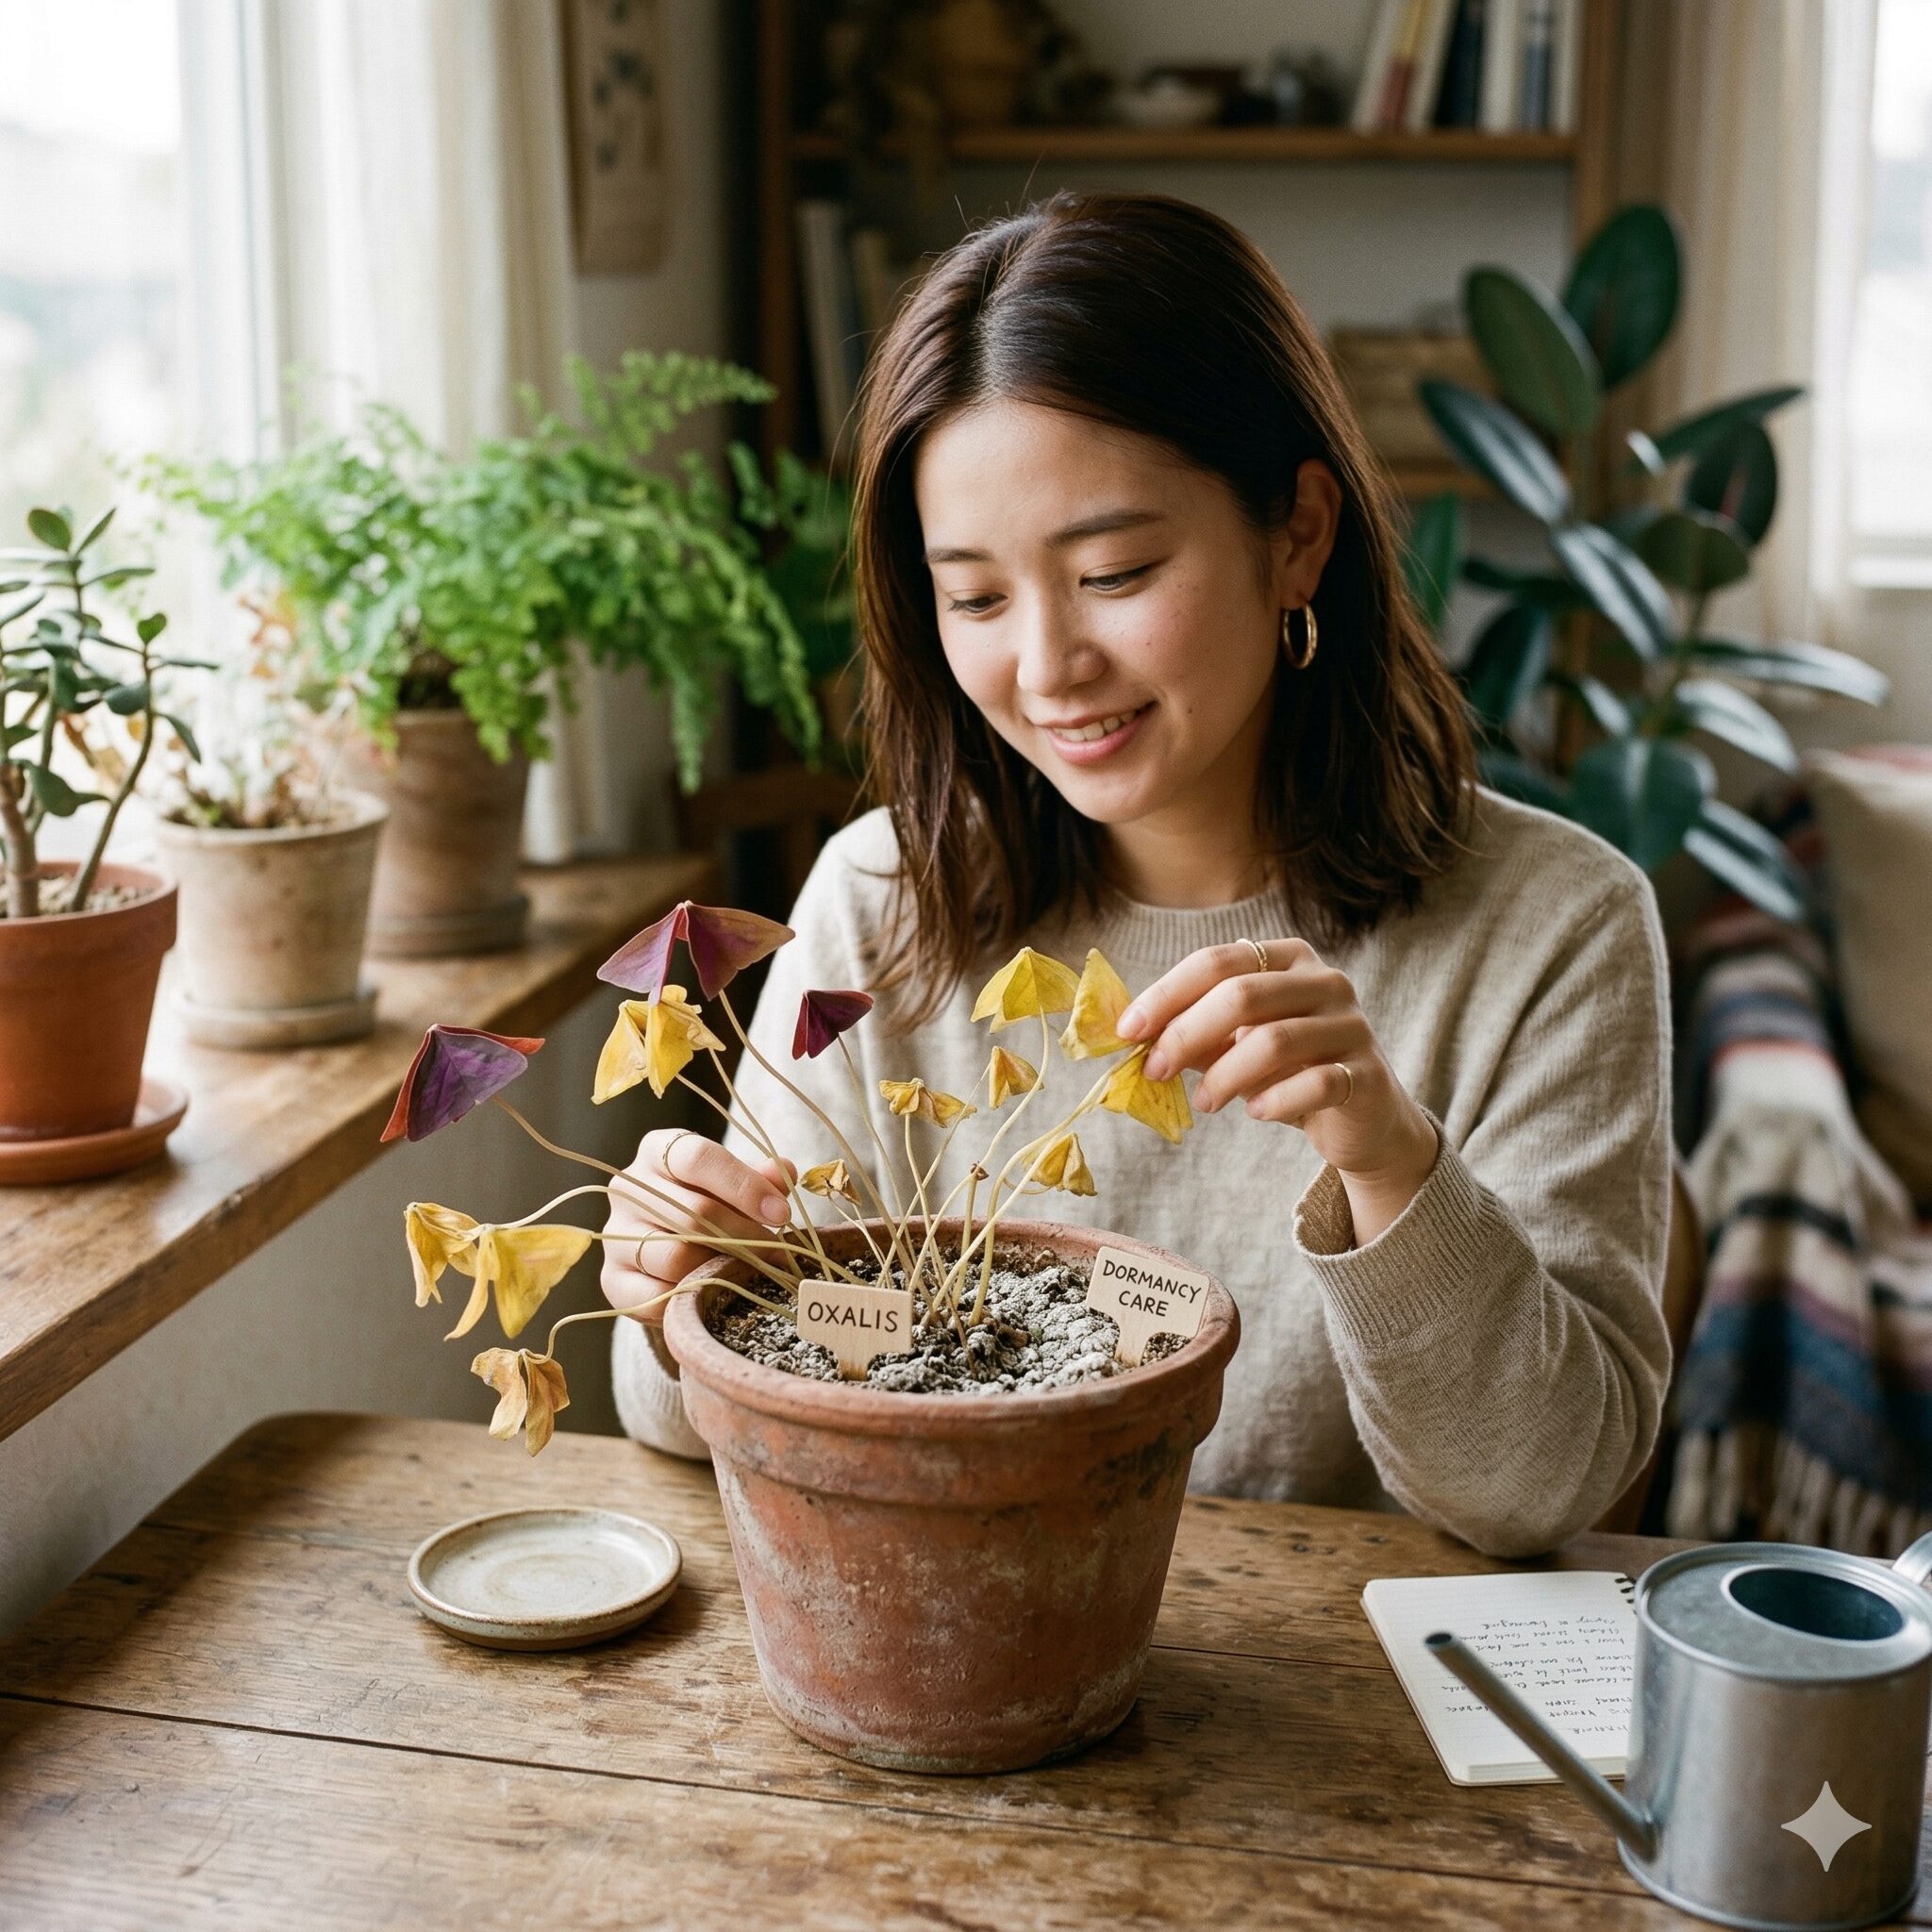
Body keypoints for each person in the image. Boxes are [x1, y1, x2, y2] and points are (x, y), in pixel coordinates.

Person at [602, 189, 1672, 1558]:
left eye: (1114, 571)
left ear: (1298, 534)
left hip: (1343, 1715)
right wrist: (686, 1282)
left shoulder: (1554, 928)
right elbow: (712, 1410)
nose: (1046, 669)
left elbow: (1539, 1491)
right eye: (977, 598)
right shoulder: (885, 902)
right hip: (954, 1651)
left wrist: (1389, 1157)